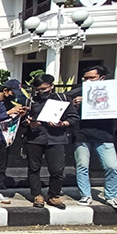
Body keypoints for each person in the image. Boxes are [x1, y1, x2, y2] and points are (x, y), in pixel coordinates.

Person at [22, 74, 79, 209]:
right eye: (38, 90)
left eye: (44, 89)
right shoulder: (30, 101)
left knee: (57, 170)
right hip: (35, 138)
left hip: (56, 138)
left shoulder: (63, 99)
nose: (41, 92)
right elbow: (22, 120)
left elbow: (73, 117)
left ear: (51, 86)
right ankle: (37, 194)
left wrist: (62, 123)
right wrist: (29, 123)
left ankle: (53, 195)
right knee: (34, 168)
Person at [69, 65, 117, 208]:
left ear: (102, 78)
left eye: (92, 78)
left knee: (112, 166)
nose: (88, 81)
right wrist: (75, 104)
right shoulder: (78, 92)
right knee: (82, 165)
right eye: (85, 78)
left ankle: (110, 195)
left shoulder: (114, 90)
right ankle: (85, 195)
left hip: (105, 133)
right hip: (82, 133)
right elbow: (66, 108)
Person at [0, 79, 27, 204]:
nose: (14, 95)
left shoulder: (11, 104)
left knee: (1, 167)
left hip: (5, 139)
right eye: (12, 92)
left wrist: (20, 114)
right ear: (5, 91)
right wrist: (7, 113)